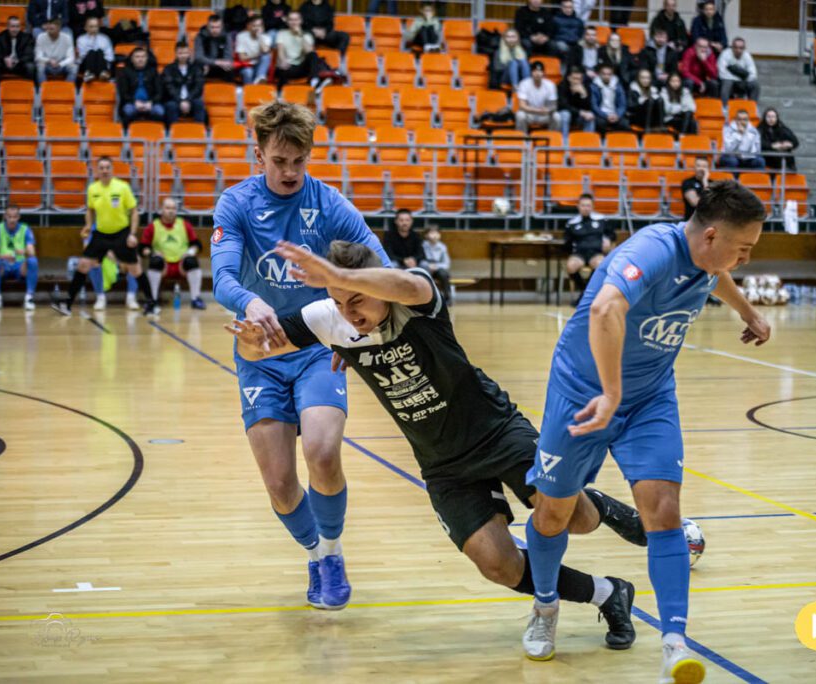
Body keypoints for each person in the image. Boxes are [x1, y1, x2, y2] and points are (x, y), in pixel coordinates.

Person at [226, 239, 644, 651]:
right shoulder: (330, 320)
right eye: (338, 302)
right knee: (498, 564)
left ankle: (602, 507)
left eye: (357, 300)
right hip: (443, 464)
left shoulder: (415, 298)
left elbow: (410, 286)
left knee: (578, 520)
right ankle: (608, 594)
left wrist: (340, 277)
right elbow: (261, 348)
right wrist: (251, 341)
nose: (348, 314)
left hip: (496, 432)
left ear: (377, 285)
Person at [521, 181, 770, 674]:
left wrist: (747, 310)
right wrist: (610, 393)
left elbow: (714, 277)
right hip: (583, 395)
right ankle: (545, 606)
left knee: (664, 510)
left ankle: (675, 644)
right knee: (553, 514)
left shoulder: (708, 259)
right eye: (743, 249)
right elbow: (604, 308)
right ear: (713, 236)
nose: (744, 260)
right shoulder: (653, 250)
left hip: (651, 397)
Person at [210, 101, 391, 611]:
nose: (290, 172)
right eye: (279, 161)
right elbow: (222, 275)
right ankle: (314, 551)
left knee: (323, 452)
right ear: (259, 155)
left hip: (316, 347)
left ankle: (332, 556)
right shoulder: (236, 204)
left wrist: (362, 322)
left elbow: (381, 263)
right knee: (281, 483)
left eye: (299, 161)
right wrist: (250, 299)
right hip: (259, 350)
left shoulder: (329, 203)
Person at [52, 156, 158, 316]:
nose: (104, 170)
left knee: (135, 269)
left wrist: (132, 234)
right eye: (101, 168)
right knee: (83, 265)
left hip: (121, 234)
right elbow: (90, 210)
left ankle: (152, 304)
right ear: (97, 170)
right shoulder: (93, 189)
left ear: (112, 169)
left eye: (107, 167)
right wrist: (88, 225)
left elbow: (134, 211)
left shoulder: (122, 187)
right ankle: (67, 304)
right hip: (100, 235)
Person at [141, 197, 206, 309]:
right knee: (155, 261)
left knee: (192, 261)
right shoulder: (153, 226)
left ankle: (195, 299)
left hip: (181, 265)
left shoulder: (184, 224)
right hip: (163, 265)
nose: (171, 211)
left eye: (173, 208)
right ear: (161, 210)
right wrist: (153, 253)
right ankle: (153, 300)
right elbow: (143, 248)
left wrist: (189, 253)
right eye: (167, 208)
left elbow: (197, 245)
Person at [563, 193, 615, 300]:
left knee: (600, 265)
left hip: (596, 252)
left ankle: (588, 294)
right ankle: (585, 291)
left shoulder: (602, 220)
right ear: (578, 206)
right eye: (583, 205)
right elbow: (567, 242)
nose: (585, 208)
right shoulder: (571, 223)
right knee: (571, 266)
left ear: (592, 206)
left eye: (588, 206)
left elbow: (612, 235)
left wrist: (608, 240)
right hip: (579, 253)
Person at [0, 204, 38, 311]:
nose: (12, 220)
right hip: (3, 265)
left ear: (18, 217)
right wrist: (3, 256)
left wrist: (24, 251)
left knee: (33, 261)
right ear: (5, 216)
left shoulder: (26, 229)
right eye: (9, 216)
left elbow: (32, 251)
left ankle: (29, 299)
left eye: (15, 217)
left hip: (19, 266)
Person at [162, 41, 206, 126]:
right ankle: (172, 134)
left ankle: (199, 132)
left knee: (199, 104)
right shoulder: (168, 69)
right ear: (175, 53)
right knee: (171, 106)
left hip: (191, 99)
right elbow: (169, 88)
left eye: (185, 53)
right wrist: (180, 101)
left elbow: (198, 88)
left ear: (189, 53)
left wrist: (188, 100)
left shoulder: (196, 68)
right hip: (174, 100)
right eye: (180, 53)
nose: (183, 55)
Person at [117, 47, 163, 125]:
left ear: (147, 58)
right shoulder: (125, 72)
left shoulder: (153, 71)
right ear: (132, 59)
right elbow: (123, 94)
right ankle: (128, 135)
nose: (140, 59)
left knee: (160, 111)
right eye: (137, 57)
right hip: (132, 103)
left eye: (143, 56)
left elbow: (159, 92)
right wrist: (135, 102)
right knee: (128, 111)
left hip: (150, 103)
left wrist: (151, 102)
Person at [275, 11, 319, 88]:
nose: (293, 22)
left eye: (296, 19)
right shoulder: (282, 33)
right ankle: (280, 93)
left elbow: (309, 52)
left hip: (301, 67)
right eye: (291, 20)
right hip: (288, 67)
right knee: (281, 68)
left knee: (314, 55)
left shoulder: (307, 35)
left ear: (301, 21)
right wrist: (283, 61)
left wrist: (300, 35)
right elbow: (280, 51)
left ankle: (314, 80)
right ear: (287, 22)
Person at [515, 60, 560, 132]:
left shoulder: (550, 85)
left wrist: (548, 110)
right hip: (529, 114)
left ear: (543, 73)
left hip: (544, 114)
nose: (537, 74)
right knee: (520, 115)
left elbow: (554, 105)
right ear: (531, 73)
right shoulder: (524, 84)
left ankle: (552, 139)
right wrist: (537, 110)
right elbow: (522, 106)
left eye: (540, 71)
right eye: (535, 71)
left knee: (556, 116)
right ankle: (522, 139)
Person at [0, 16, 35, 83]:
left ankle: (27, 89)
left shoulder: (27, 38)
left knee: (30, 67)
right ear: (7, 27)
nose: (15, 29)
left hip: (20, 64)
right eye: (13, 26)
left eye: (17, 26)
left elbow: (29, 54)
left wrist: (17, 60)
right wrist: (4, 59)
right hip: (4, 64)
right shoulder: (1, 36)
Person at [590, 62, 629, 134]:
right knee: (599, 123)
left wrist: (617, 115)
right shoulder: (594, 86)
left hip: (615, 114)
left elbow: (622, 104)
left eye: (609, 74)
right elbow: (594, 106)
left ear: (612, 75)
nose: (606, 76)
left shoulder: (618, 86)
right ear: (599, 74)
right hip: (601, 114)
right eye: (604, 74)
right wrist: (606, 116)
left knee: (625, 124)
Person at [717, 37, 758, 104]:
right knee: (727, 82)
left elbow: (753, 74)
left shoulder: (747, 56)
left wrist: (739, 77)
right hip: (728, 81)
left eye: (741, 48)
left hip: (741, 82)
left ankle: (753, 107)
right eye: (736, 47)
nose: (738, 50)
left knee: (754, 84)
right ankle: (724, 108)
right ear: (732, 47)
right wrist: (740, 76)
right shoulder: (725, 54)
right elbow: (722, 74)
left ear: (744, 48)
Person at [194, 14, 235, 81]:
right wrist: (214, 62)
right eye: (212, 27)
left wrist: (222, 63)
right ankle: (199, 91)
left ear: (222, 27)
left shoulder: (226, 36)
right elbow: (198, 57)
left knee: (229, 68)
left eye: (217, 27)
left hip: (220, 66)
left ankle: (227, 90)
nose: (215, 30)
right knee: (197, 68)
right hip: (206, 65)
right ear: (207, 27)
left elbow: (228, 57)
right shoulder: (200, 36)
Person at [34, 17, 76, 82]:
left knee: (74, 68)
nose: (48, 31)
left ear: (59, 29)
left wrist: (60, 64)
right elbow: (38, 57)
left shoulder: (67, 38)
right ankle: (42, 89)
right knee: (40, 66)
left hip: (61, 64)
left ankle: (67, 89)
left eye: (51, 29)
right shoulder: (41, 37)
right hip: (47, 64)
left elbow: (71, 58)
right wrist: (49, 61)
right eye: (47, 28)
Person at [758, 108, 799, 172]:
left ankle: (790, 169)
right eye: (768, 117)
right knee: (778, 154)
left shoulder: (781, 127)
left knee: (787, 153)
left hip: (781, 154)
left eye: (773, 117)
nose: (771, 119)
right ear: (764, 118)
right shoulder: (760, 129)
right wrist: (772, 146)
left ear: (777, 118)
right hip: (767, 155)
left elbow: (795, 141)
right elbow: (759, 143)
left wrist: (790, 144)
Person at [557, 66, 595, 136]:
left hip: (578, 116)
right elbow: (563, 105)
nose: (576, 81)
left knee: (590, 116)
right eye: (574, 78)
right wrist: (580, 112)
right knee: (566, 114)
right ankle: (564, 144)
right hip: (564, 115)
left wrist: (583, 95)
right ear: (568, 78)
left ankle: (588, 143)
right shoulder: (562, 86)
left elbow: (588, 108)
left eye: (579, 79)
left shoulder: (585, 87)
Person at [236, 15, 272, 85]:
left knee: (266, 56)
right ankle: (251, 90)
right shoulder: (241, 36)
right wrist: (256, 56)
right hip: (246, 66)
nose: (256, 28)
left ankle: (260, 78)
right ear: (249, 26)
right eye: (254, 26)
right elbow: (242, 58)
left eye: (259, 26)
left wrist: (259, 36)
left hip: (259, 66)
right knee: (248, 72)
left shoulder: (266, 37)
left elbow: (265, 51)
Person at [75, 15, 112, 82]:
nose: (94, 29)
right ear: (85, 28)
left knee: (99, 51)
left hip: (101, 65)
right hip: (86, 65)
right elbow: (81, 57)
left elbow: (110, 57)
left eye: (96, 26)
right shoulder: (80, 39)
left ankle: (102, 74)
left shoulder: (105, 38)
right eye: (91, 26)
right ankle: (88, 74)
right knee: (91, 52)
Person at [421, 226, 452, 305]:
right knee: (425, 274)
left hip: (438, 267)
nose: (434, 235)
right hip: (426, 267)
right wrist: (428, 265)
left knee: (444, 274)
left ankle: (447, 297)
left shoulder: (442, 247)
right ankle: (427, 298)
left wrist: (437, 266)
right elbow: (420, 259)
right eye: (431, 233)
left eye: (436, 233)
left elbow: (446, 263)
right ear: (426, 235)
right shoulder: (423, 245)